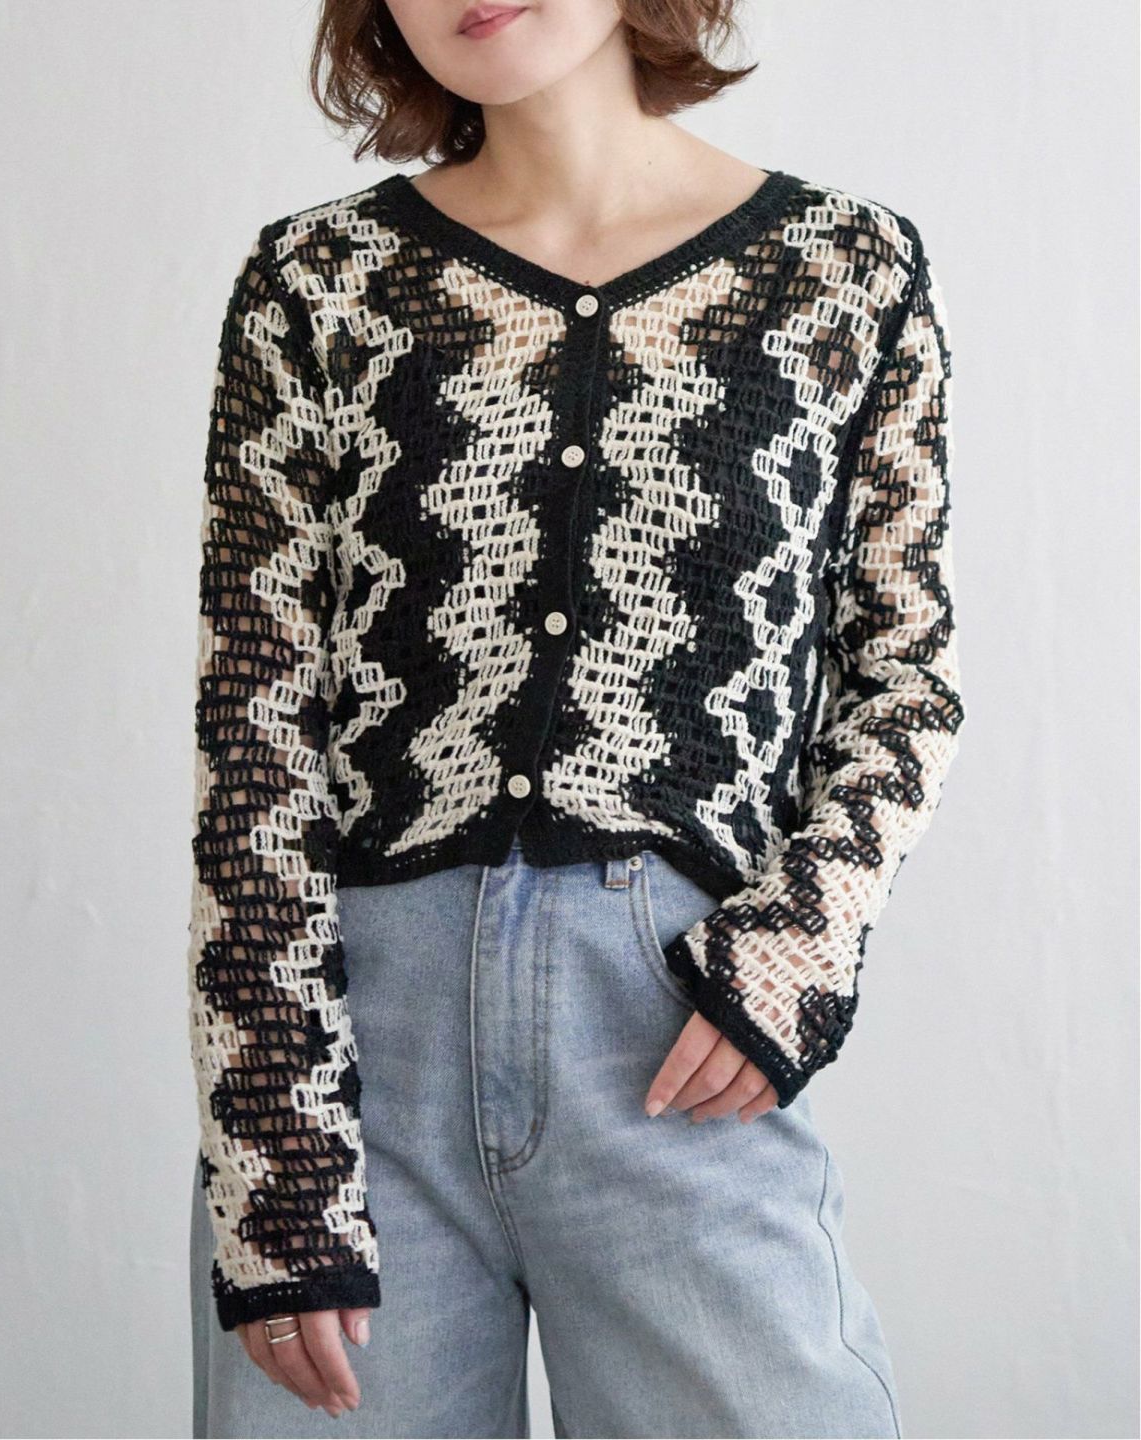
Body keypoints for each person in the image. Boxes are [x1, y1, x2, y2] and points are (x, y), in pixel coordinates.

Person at [186, 1, 965, 1435]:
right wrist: (275, 1140)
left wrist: (795, 947)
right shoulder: (319, 286)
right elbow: (253, 734)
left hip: (673, 1027)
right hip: (357, 1060)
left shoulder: (843, 271)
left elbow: (904, 671)